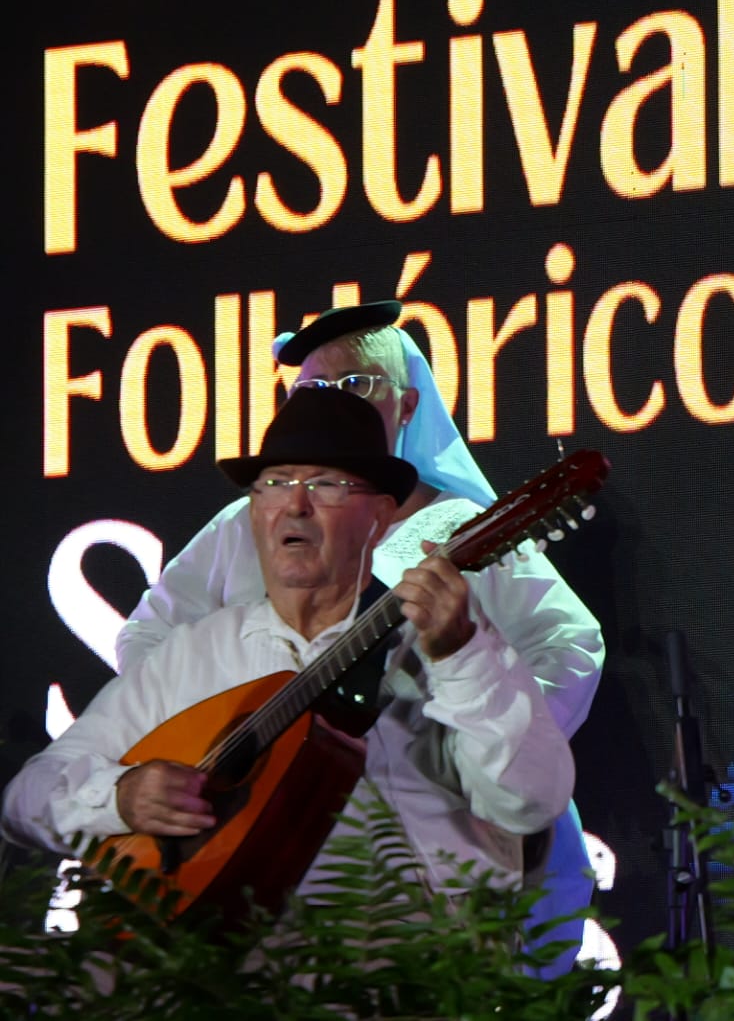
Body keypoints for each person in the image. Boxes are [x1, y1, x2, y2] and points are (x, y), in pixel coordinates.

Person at [113, 302, 603, 970]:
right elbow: (148, 638)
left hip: (413, 856)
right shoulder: (245, 523)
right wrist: (221, 722)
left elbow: (568, 647)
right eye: (314, 388)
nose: (334, 401)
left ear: (407, 405)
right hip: (257, 843)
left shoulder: (458, 528)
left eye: (355, 384)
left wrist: (478, 750)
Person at [2, 388, 573, 905]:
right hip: (217, 962)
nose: (294, 505)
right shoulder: (193, 656)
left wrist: (463, 654)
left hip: (405, 966)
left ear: (379, 517)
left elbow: (529, 801)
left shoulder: (449, 648)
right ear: (253, 512)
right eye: (275, 483)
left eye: (326, 484)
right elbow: (24, 800)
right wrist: (119, 797)